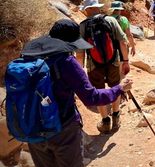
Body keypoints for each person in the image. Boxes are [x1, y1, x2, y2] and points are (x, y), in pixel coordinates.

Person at [23, 19, 133, 167]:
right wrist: (119, 88)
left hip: (31, 126)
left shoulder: (28, 56)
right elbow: (92, 98)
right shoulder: (66, 61)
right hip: (62, 129)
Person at [76, 0, 130, 133]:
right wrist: (125, 61)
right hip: (114, 61)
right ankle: (116, 116)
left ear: (86, 10)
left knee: (98, 91)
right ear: (98, 7)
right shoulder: (111, 20)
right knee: (115, 87)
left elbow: (80, 54)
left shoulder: (82, 26)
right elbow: (123, 42)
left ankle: (105, 121)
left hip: (93, 65)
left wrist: (79, 73)